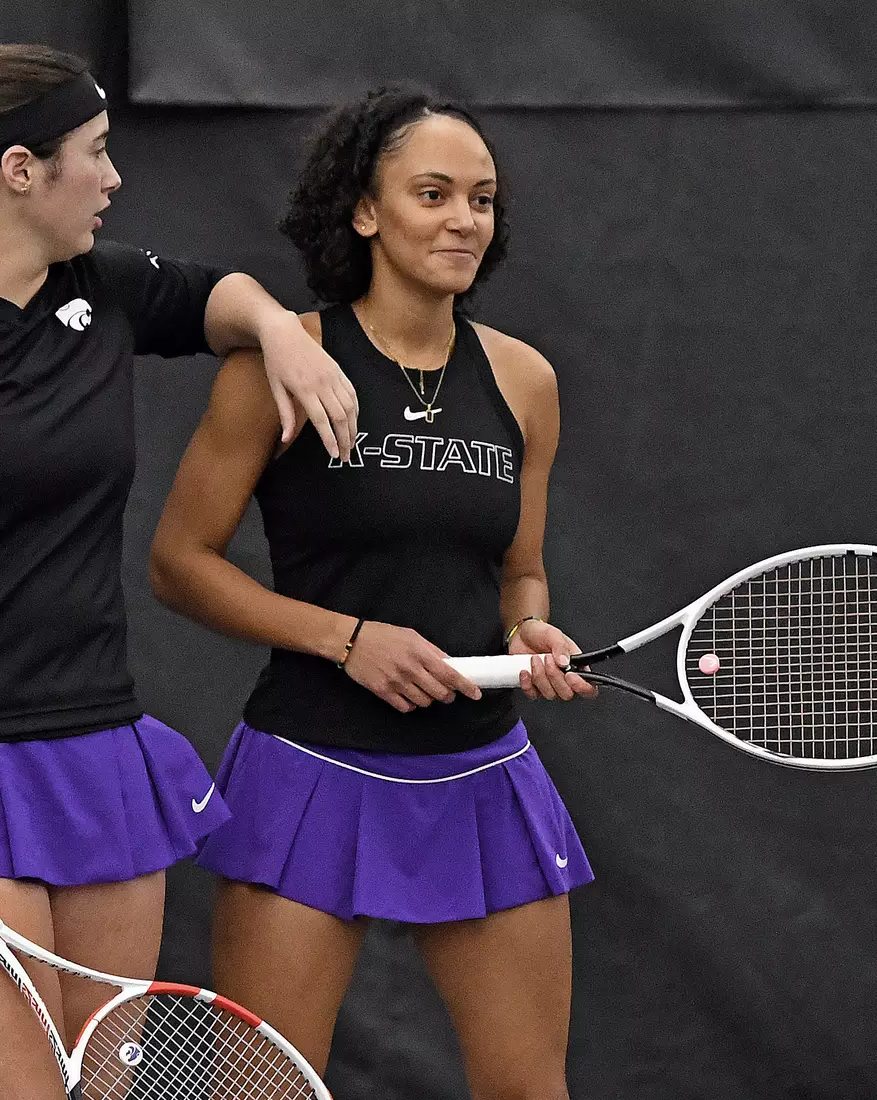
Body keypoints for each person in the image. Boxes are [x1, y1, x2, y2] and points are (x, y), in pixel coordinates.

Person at [0, 43, 357, 1100]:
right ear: (19, 172)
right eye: (95, 153)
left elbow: (214, 294)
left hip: (94, 762)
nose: (116, 177)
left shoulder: (101, 288)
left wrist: (281, 332)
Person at [149, 85, 597, 1099]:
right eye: (431, 193)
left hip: (483, 769)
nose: (463, 220)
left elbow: (519, 565)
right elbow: (179, 561)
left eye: (480, 199)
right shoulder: (281, 364)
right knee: (263, 1089)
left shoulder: (524, 379)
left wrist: (530, 623)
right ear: (364, 211)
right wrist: (348, 638)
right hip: (310, 766)